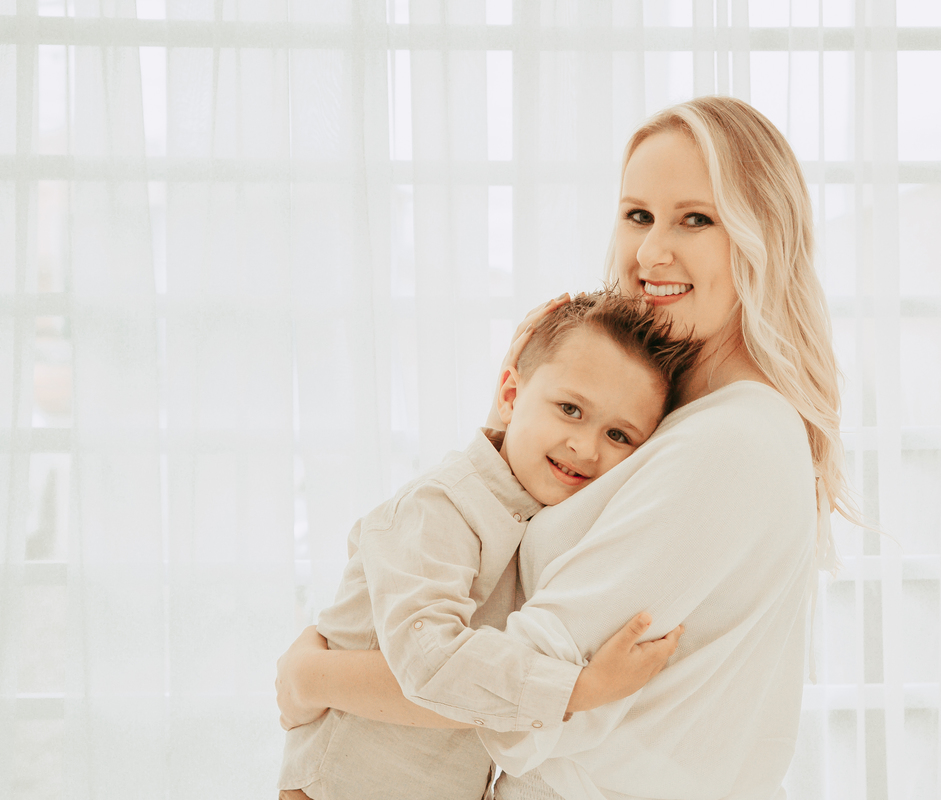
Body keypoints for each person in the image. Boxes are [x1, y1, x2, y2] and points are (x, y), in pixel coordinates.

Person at [276, 96, 856, 800]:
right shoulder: (673, 425)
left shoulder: (733, 440)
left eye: (695, 219)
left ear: (763, 235)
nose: (651, 252)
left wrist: (313, 678)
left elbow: (516, 696)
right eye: (637, 214)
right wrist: (516, 415)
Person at [277, 290, 701, 800]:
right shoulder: (439, 507)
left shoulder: (547, 520)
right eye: (570, 409)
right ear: (510, 396)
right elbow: (429, 662)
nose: (586, 447)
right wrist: (582, 689)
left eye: (619, 436)